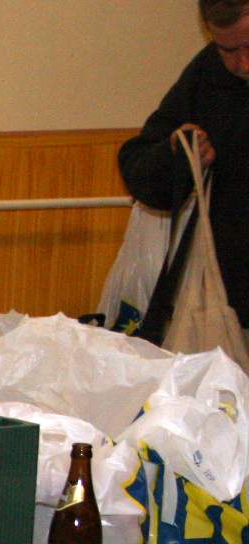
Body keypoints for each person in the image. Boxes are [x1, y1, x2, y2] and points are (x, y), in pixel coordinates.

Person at [119, 1, 249, 321]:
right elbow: (139, 169)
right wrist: (177, 156)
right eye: (228, 50)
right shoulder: (208, 74)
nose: (243, 64)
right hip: (231, 303)